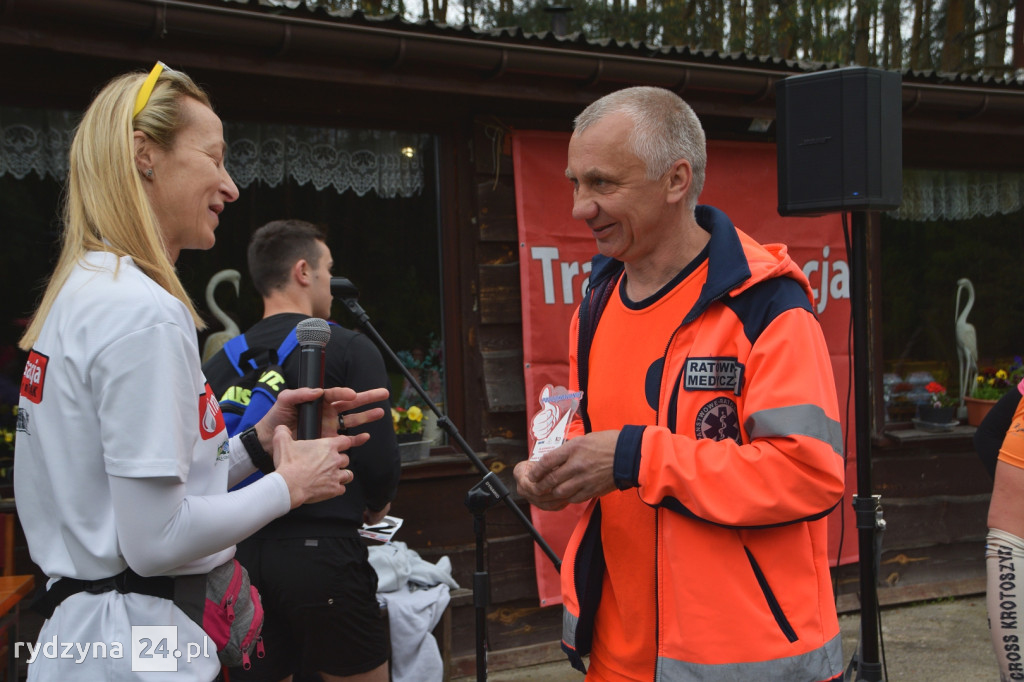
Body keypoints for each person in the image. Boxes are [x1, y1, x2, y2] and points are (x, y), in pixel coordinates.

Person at [14, 63, 387, 681]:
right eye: (214, 158)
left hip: (88, 641)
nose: (230, 185)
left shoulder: (85, 292)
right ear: (145, 155)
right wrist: (289, 485)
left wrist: (261, 444)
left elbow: (132, 494)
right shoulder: (143, 312)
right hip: (141, 648)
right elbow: (156, 539)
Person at [513, 86, 847, 681]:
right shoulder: (594, 302)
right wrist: (550, 467)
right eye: (573, 183)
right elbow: (579, 423)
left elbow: (808, 474)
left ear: (675, 180)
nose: (579, 208)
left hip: (743, 663)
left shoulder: (768, 305)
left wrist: (636, 457)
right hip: (616, 657)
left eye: (602, 183)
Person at [203, 219, 400, 682]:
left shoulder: (215, 363)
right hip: (324, 553)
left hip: (240, 558)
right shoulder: (349, 347)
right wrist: (376, 506)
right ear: (303, 272)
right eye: (328, 268)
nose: (332, 281)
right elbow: (378, 459)